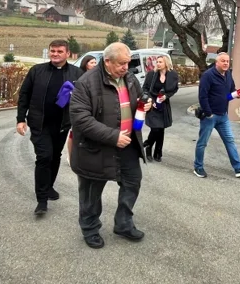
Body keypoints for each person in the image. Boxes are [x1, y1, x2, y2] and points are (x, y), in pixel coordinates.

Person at [69, 42, 152, 249]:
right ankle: (90, 229)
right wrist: (112, 136)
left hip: (128, 144)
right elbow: (81, 118)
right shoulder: (86, 83)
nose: (126, 67)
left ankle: (123, 223)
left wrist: (146, 102)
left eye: (128, 62)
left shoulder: (130, 78)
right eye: (121, 63)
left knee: (132, 182)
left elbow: (140, 97)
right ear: (107, 61)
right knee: (91, 192)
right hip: (96, 148)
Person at [16, 39, 83, 216]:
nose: (55, 54)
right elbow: (24, 95)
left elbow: (86, 97)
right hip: (40, 124)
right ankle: (42, 200)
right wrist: (21, 119)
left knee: (54, 157)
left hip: (62, 124)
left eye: (59, 51)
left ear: (67, 53)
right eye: (52, 51)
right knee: (44, 157)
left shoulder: (77, 73)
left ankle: (49, 186)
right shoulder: (37, 71)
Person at [194, 52, 240, 178]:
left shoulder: (228, 75)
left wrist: (237, 94)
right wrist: (209, 113)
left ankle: (238, 168)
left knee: (230, 141)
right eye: (223, 61)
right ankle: (198, 167)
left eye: (227, 61)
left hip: (223, 116)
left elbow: (227, 95)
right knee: (202, 143)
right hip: (209, 117)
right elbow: (202, 96)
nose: (226, 63)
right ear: (217, 62)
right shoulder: (207, 76)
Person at [141, 55, 179, 162]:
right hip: (152, 105)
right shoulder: (151, 74)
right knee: (156, 128)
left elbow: (174, 89)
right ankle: (148, 146)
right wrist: (150, 100)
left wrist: (166, 96)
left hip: (163, 104)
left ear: (166, 63)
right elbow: (145, 89)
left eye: (160, 62)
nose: (158, 64)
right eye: (157, 62)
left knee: (161, 129)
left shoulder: (172, 75)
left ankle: (158, 152)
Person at [66, 54, 98, 165]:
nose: (94, 64)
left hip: (92, 108)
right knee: (73, 134)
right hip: (78, 107)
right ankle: (70, 156)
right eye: (92, 62)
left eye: (95, 62)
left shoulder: (96, 76)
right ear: (86, 64)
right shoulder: (79, 75)